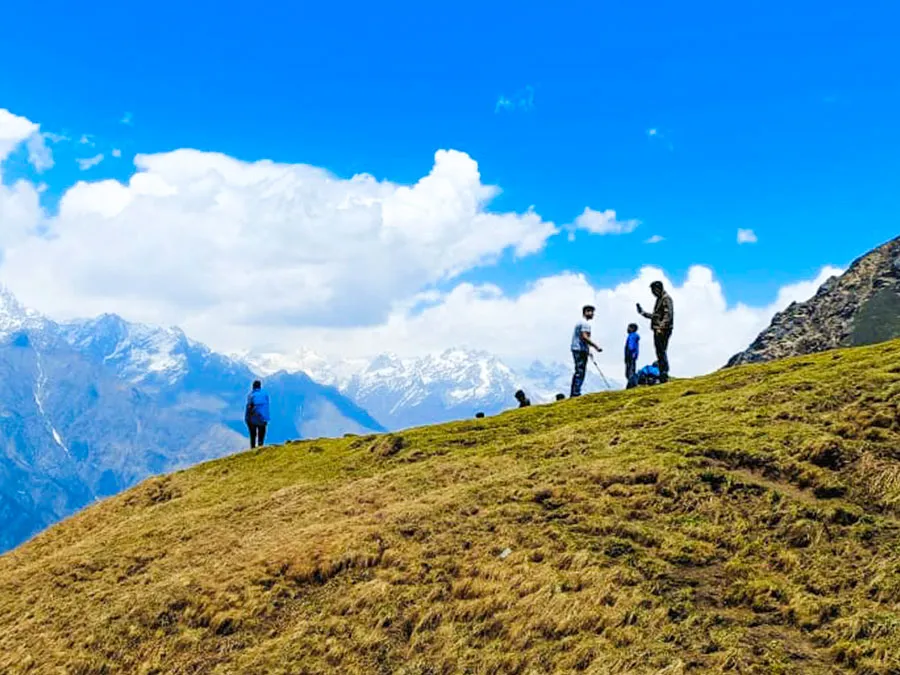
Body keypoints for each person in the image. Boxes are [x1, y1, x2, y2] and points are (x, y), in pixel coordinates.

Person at [636, 281, 674, 383]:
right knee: (659, 352)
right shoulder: (659, 299)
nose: (653, 293)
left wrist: (661, 327)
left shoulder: (666, 299)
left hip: (663, 330)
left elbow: (668, 315)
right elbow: (656, 316)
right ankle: (662, 373)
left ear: (658, 289)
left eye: (653, 290)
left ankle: (664, 373)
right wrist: (643, 313)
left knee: (661, 351)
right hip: (658, 330)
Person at [571, 304, 603, 397]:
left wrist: (588, 350)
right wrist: (596, 346)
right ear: (585, 312)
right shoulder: (585, 324)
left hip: (578, 348)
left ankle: (574, 392)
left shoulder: (580, 322)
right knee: (580, 371)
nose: (593, 314)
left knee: (578, 371)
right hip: (580, 350)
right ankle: (576, 393)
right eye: (591, 312)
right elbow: (584, 337)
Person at [244, 380, 271, 448]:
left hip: (254, 419)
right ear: (260, 386)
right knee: (261, 431)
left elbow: (249, 407)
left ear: (253, 387)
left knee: (253, 434)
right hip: (264, 419)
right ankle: (260, 445)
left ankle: (253, 447)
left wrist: (246, 419)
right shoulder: (265, 395)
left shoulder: (251, 395)